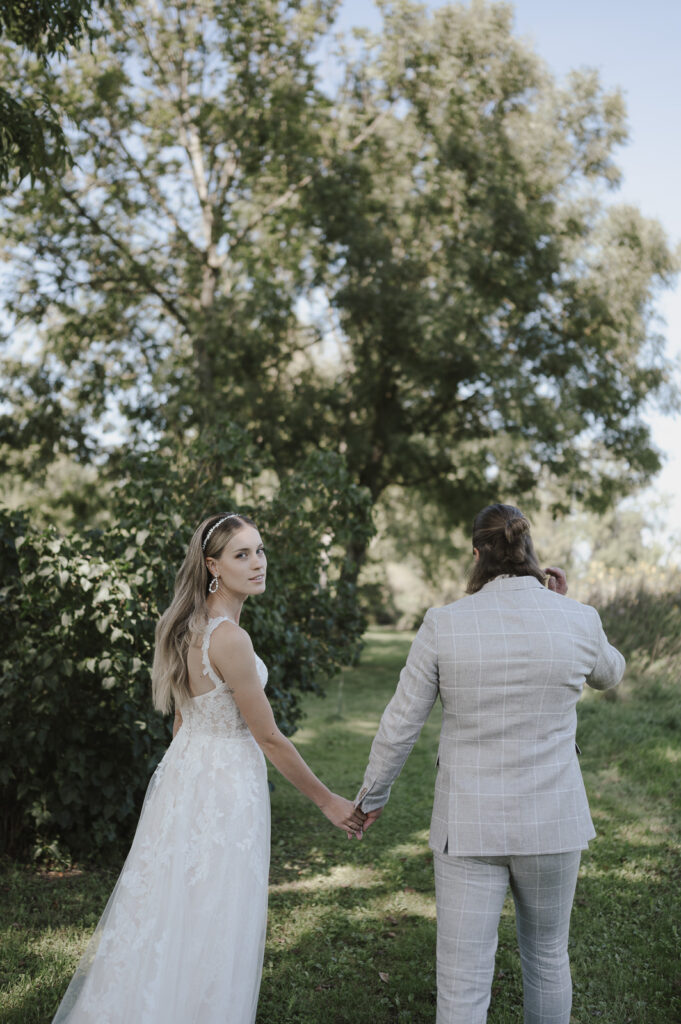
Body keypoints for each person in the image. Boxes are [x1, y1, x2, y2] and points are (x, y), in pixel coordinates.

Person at [52, 512, 365, 1024]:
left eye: (260, 550)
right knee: (215, 917)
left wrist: (180, 791)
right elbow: (267, 735)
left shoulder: (186, 627)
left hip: (187, 774)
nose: (258, 563)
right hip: (224, 785)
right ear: (213, 566)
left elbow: (181, 720)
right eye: (242, 554)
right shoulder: (230, 639)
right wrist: (329, 801)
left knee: (172, 910)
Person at [354, 503, 625, 1024]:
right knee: (547, 957)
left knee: (462, 980)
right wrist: (565, 609)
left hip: (468, 826)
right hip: (554, 823)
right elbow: (610, 674)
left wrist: (372, 796)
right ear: (531, 552)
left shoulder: (444, 624)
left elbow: (401, 722)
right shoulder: (579, 618)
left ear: (476, 554)